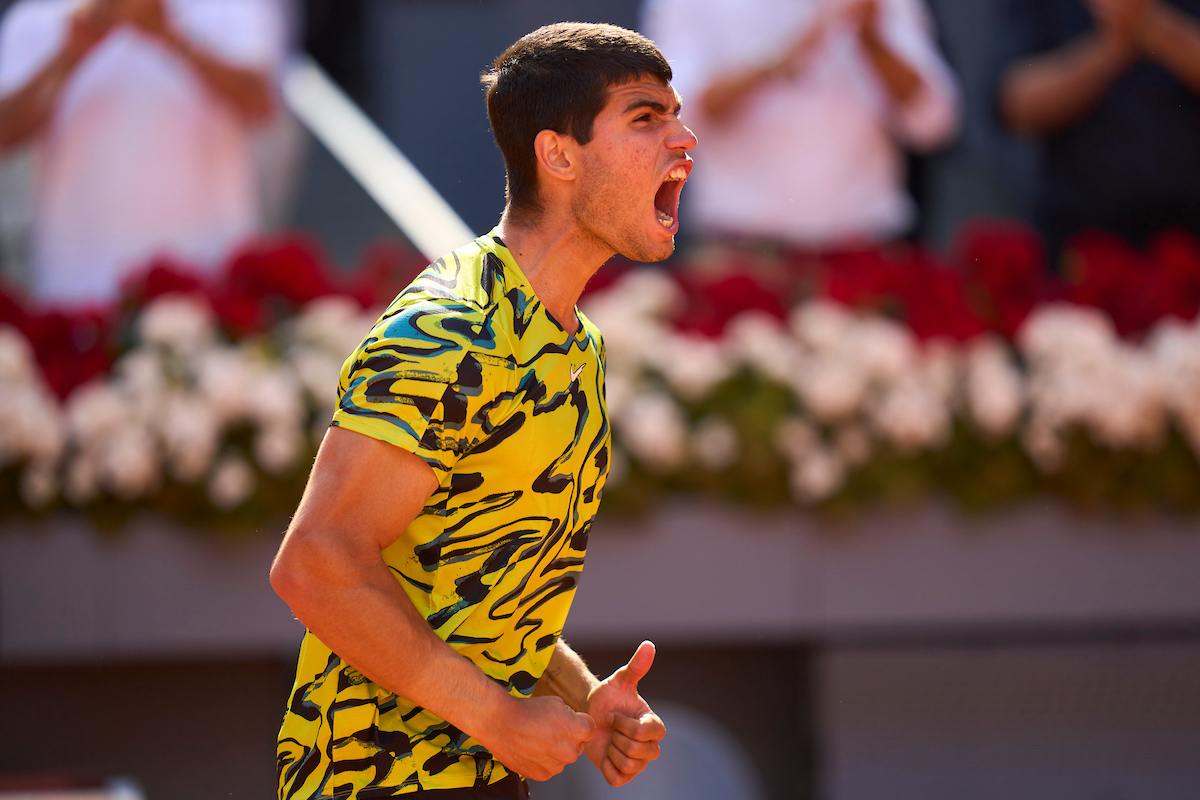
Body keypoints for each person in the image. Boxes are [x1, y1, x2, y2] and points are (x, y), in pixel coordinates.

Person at [270, 22, 694, 800]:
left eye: (675, 115)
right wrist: (498, 719)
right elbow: (316, 563)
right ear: (558, 154)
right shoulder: (446, 329)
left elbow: (471, 581)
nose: (683, 139)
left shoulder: (579, 348)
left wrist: (581, 694)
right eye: (646, 119)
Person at [0, 0, 284, 303]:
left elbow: (261, 106)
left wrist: (170, 36)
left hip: (209, 284)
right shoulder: (36, 17)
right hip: (76, 288)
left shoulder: (234, 8)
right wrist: (68, 56)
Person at [642, 0, 958, 250]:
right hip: (740, 251)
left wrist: (873, 40)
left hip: (864, 250)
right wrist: (775, 64)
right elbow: (669, 121)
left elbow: (933, 124)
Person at [998, 0, 1200, 258]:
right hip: (1077, 240)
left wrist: (1154, 27)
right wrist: (1112, 46)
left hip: (1188, 236)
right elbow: (1014, 102)